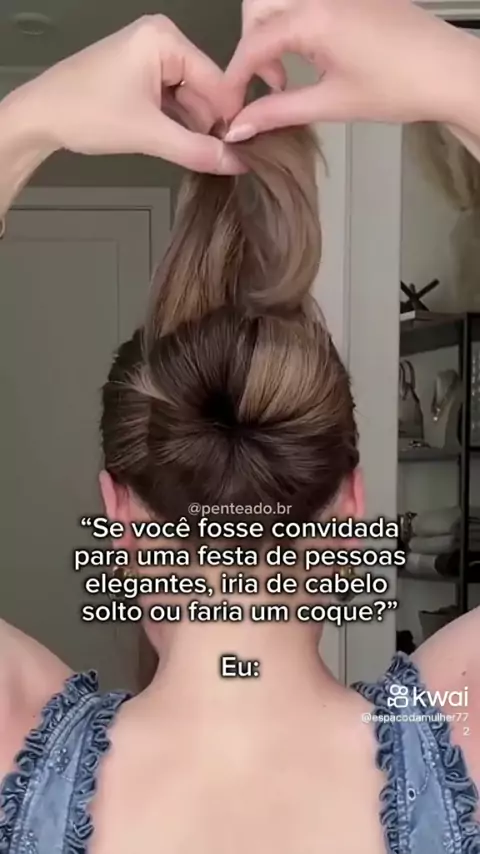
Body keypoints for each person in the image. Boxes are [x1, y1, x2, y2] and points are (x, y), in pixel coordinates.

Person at [1, 3, 480, 853]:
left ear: (119, 514)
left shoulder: (16, 741)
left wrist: (27, 120)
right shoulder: (463, 735)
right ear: (351, 511)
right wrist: (457, 76)